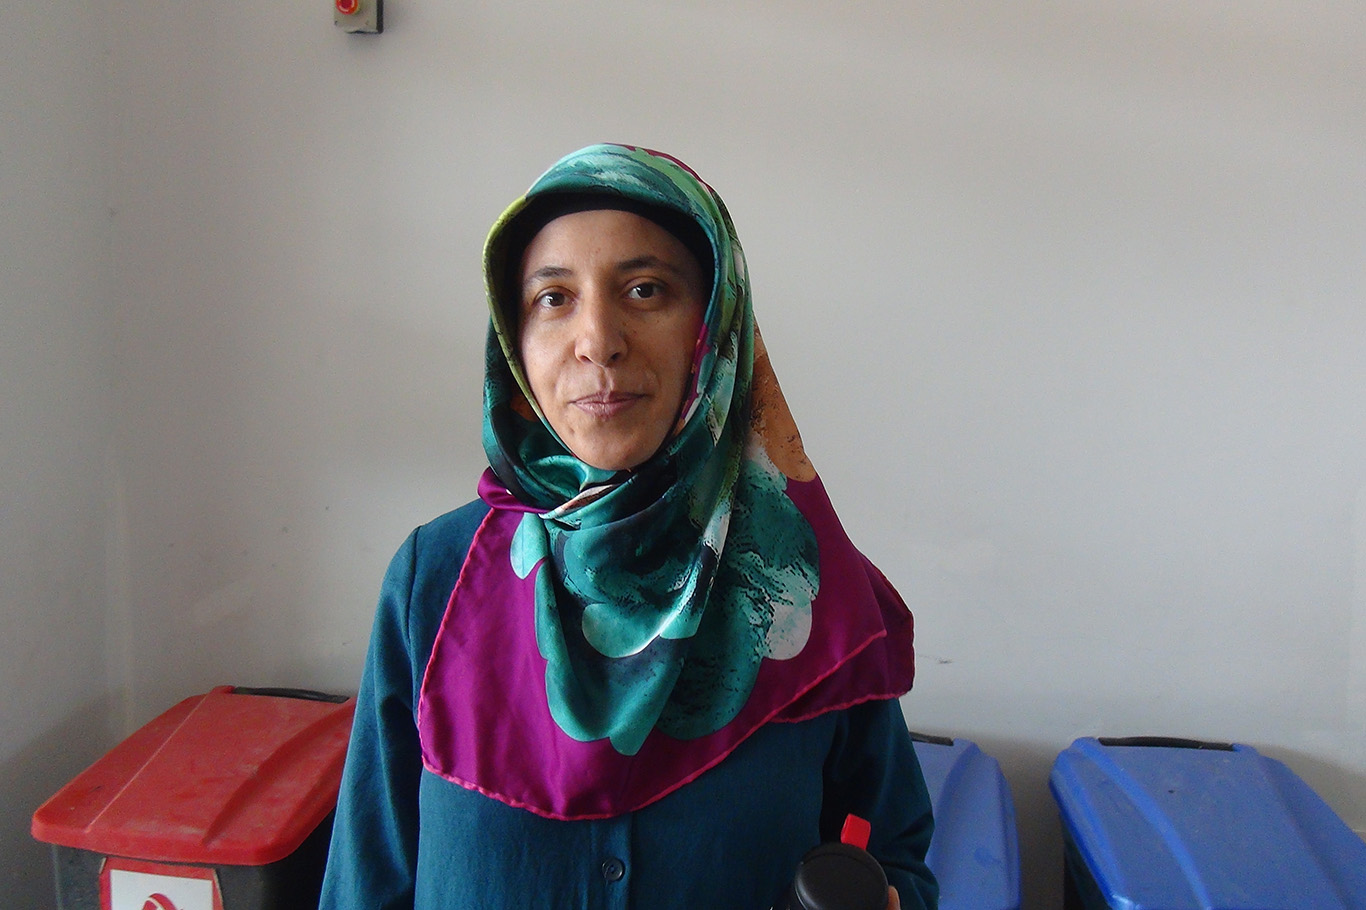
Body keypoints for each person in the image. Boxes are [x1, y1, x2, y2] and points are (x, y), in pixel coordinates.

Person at [319, 144, 939, 910]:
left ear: (713, 325)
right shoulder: (435, 580)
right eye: (553, 298)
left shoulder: (805, 591)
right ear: (513, 338)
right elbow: (364, 884)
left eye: (645, 290)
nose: (598, 339)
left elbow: (899, 858)